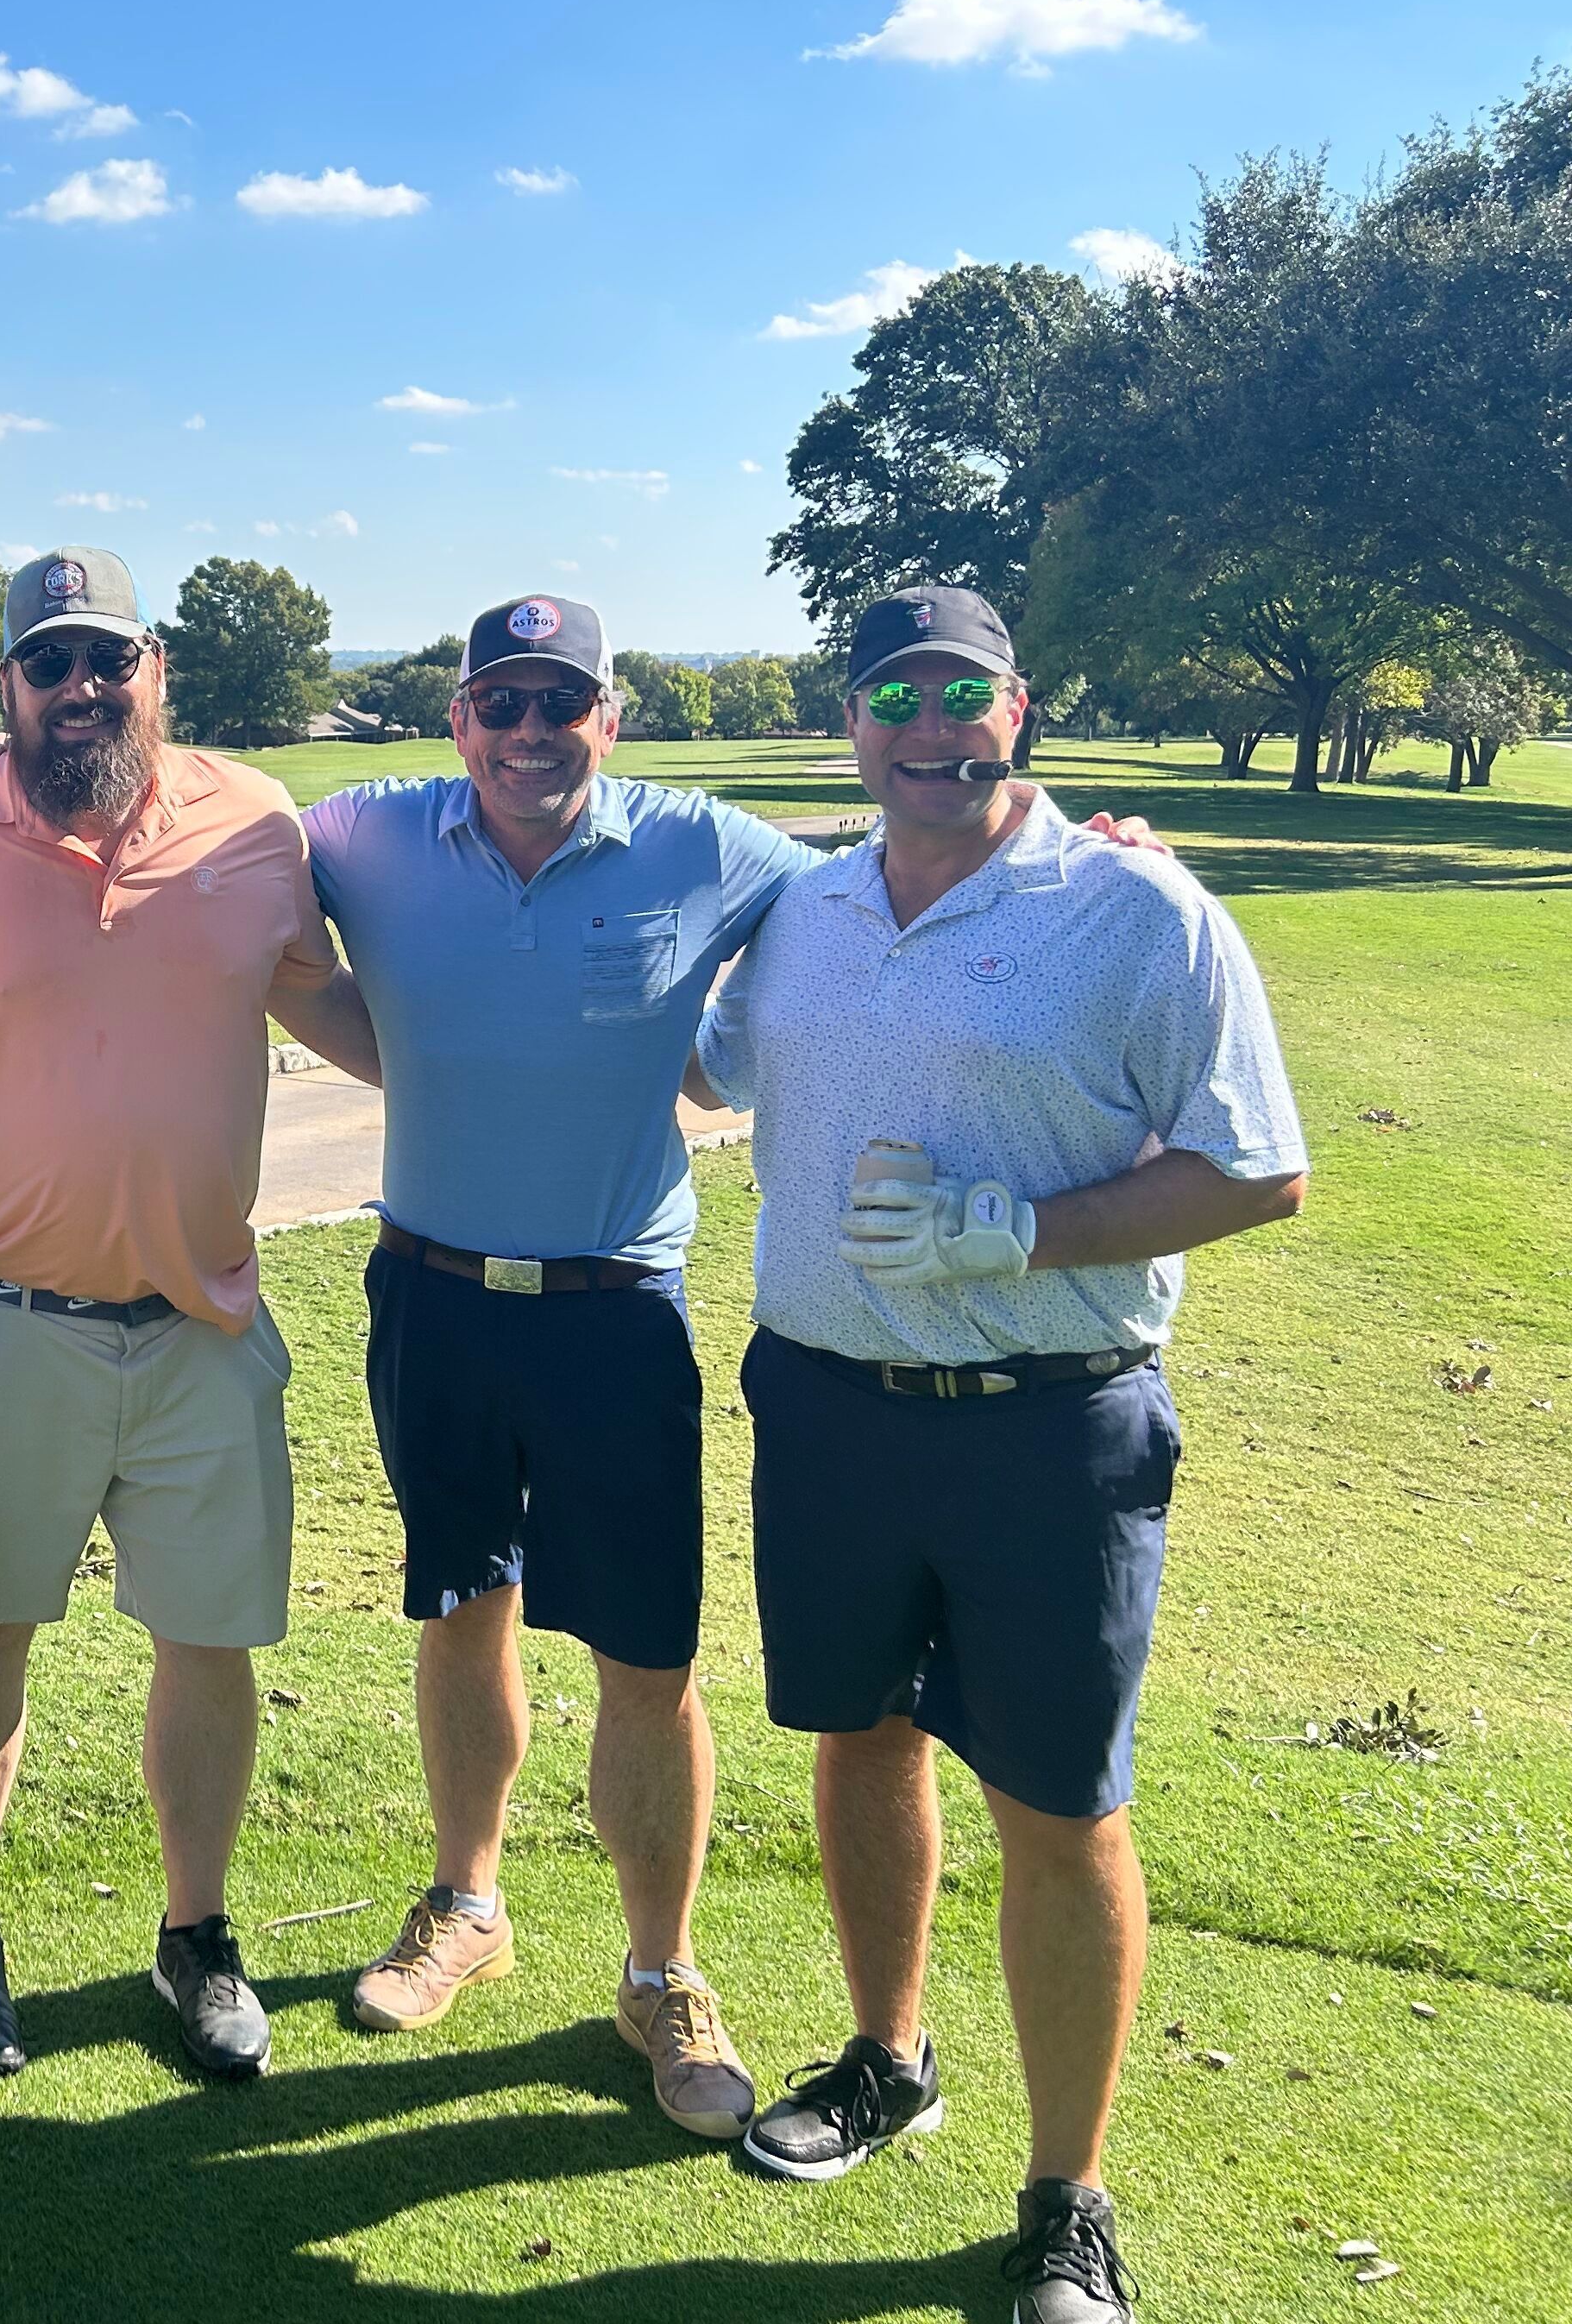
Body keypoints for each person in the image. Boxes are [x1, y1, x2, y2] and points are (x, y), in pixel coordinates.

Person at [695, 587, 1306, 2324]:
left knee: (1059, 1802)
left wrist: (1016, 1231)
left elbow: (1258, 1169)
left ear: (1017, 709)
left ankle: (1065, 2198)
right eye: (894, 697)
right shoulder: (803, 908)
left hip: (1049, 1425)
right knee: (860, 1740)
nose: (930, 727)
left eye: (961, 693)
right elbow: (705, 1066)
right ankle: (887, 2059)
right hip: (827, 1407)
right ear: (854, 722)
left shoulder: (1136, 907)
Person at [280, 592, 821, 2138]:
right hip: (432, 1295)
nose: (529, 733)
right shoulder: (367, 834)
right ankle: (468, 1905)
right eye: (500, 704)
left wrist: (1071, 846)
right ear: (459, 718)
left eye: (559, 703)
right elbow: (211, 868)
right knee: (463, 1612)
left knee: (646, 1657)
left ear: (610, 716)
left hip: (615, 1312)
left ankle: (661, 1973)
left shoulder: (704, 846)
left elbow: (883, 892)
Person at [0, 545, 354, 2084]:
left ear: (157, 670)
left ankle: (196, 1934)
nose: (80, 686)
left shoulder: (257, 823)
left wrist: (538, 1051)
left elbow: (332, 1002)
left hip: (202, 1323)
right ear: (7, 685)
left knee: (209, 1640)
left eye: (109, 658)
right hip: (1, 1320)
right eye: (49, 662)